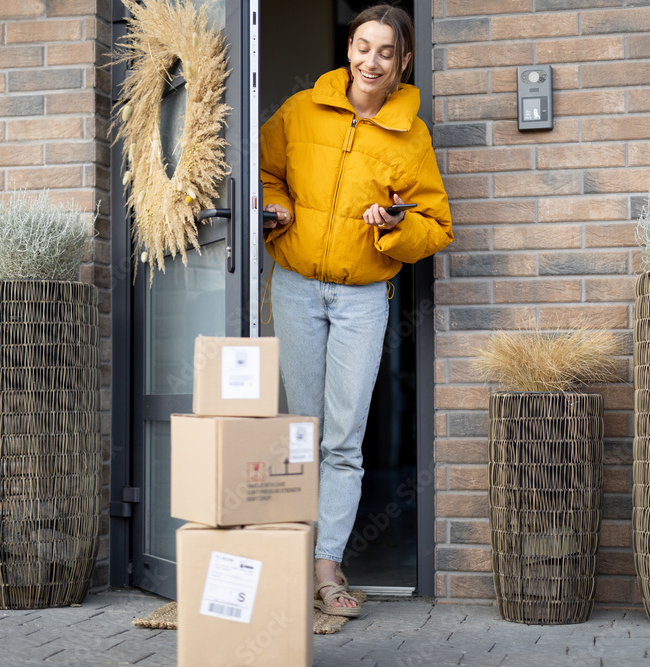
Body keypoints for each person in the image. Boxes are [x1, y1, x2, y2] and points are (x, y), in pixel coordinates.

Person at [260, 3, 452, 617]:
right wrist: (278, 209)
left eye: (386, 52)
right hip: (294, 284)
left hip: (363, 298)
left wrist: (394, 225)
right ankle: (291, 556)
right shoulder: (299, 111)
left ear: (403, 63)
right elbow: (262, 174)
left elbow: (435, 225)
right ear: (349, 49)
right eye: (363, 47)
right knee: (302, 432)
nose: (372, 61)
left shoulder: (410, 134)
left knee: (343, 440)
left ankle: (327, 566)